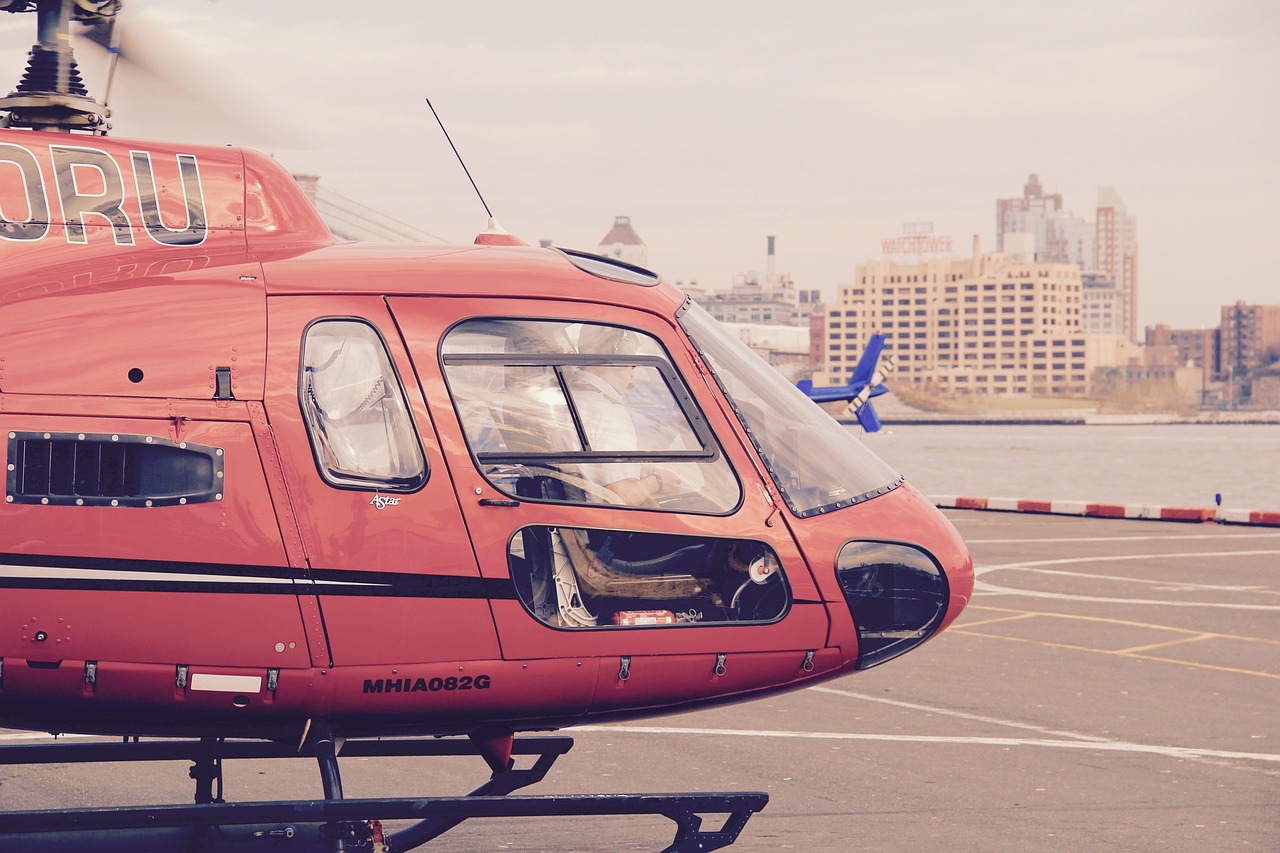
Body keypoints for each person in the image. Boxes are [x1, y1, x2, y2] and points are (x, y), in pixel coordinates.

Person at [568, 326, 681, 506]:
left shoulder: (568, 400)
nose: (633, 371)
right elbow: (617, 497)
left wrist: (636, 472)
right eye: (632, 361)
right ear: (619, 359)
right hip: (601, 520)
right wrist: (657, 482)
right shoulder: (607, 413)